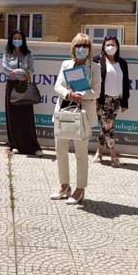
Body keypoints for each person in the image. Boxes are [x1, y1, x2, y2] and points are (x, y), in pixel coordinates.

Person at [51, 32, 102, 205]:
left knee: (81, 153)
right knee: (60, 150)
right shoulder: (66, 64)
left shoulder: (95, 67)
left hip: (83, 115)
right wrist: (68, 94)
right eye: (79, 45)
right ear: (73, 48)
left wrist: (80, 94)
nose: (82, 49)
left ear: (90, 49)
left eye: (85, 46)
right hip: (64, 112)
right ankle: (64, 185)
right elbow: (57, 86)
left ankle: (80, 189)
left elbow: (96, 92)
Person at [2, 30, 42, 156]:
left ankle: (33, 147)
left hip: (24, 86)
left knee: (26, 117)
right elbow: (6, 68)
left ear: (23, 40)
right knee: (12, 116)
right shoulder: (7, 53)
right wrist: (17, 72)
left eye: (19, 38)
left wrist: (22, 72)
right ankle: (14, 145)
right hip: (11, 85)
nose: (17, 40)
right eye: (15, 38)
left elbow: (31, 69)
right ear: (11, 39)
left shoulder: (28, 54)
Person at [92, 36, 129, 167]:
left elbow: (125, 83)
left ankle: (99, 152)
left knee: (105, 127)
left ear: (117, 47)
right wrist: (94, 97)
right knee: (108, 127)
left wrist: (125, 102)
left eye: (113, 45)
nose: (110, 47)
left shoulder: (122, 63)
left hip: (116, 100)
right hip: (102, 99)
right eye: (108, 44)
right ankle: (113, 154)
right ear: (103, 46)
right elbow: (93, 79)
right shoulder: (97, 60)